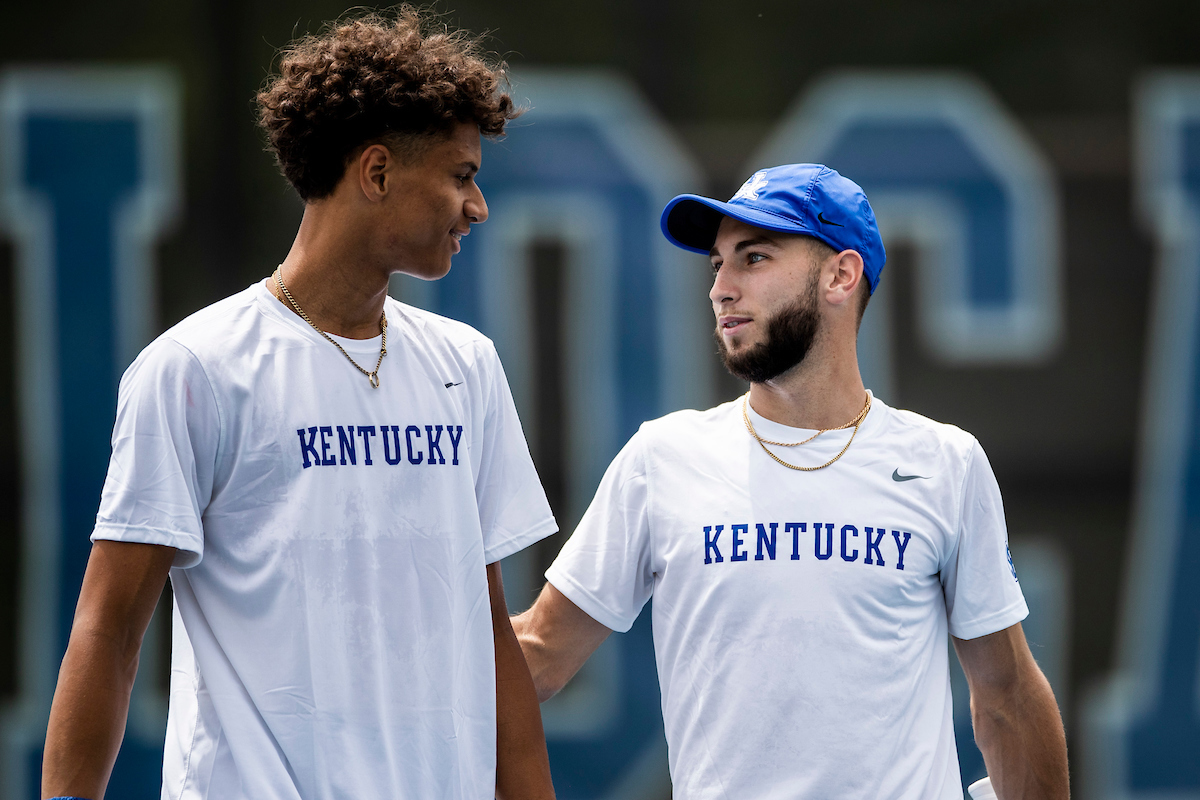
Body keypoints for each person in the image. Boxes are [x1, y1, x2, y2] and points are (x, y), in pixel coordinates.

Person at [41, 10, 557, 800]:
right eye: (461, 175)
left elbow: (487, 632)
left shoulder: (468, 367)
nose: (477, 206)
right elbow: (108, 632)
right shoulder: (194, 368)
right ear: (377, 172)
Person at [513, 163, 1070, 799]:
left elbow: (1006, 698)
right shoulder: (660, 459)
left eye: (753, 258)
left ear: (841, 274)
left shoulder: (945, 462)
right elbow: (536, 655)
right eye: (717, 264)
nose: (722, 287)